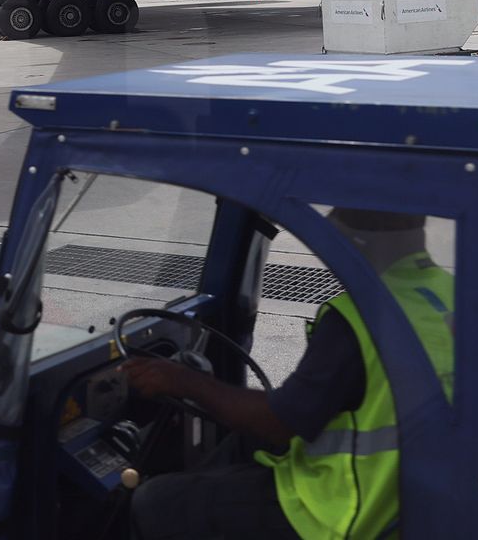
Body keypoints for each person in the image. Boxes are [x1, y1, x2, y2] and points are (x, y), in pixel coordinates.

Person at [125, 209, 455, 540]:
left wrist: (182, 381)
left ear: (356, 244)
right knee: (242, 443)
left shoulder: (362, 317)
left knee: (155, 500)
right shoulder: (450, 295)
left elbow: (281, 424)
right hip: (412, 494)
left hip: (345, 512)